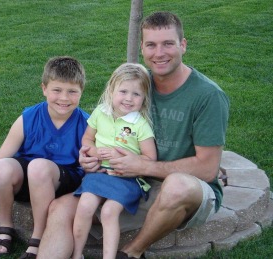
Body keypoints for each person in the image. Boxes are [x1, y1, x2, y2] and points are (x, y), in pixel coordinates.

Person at [37, 11, 230, 259]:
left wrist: (141, 165)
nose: (159, 53)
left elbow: (206, 170)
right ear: (142, 48)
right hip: (130, 184)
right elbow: (103, 129)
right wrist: (90, 156)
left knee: (177, 185)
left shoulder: (208, 96)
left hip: (180, 187)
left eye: (168, 44)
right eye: (151, 45)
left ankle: (131, 252)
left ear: (183, 45)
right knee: (60, 208)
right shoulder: (135, 85)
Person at [0, 56, 89, 258]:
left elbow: (91, 168)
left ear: (82, 91)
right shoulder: (28, 118)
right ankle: (6, 227)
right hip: (27, 181)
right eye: (57, 90)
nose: (64, 98)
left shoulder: (88, 125)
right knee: (1, 168)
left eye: (72, 91)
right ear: (44, 88)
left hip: (61, 183)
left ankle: (38, 237)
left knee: (38, 167)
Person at [71, 63, 157, 259]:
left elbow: (150, 159)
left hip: (127, 178)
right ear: (111, 90)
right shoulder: (101, 113)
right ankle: (76, 254)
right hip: (99, 173)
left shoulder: (141, 125)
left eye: (136, 94)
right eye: (123, 91)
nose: (128, 98)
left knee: (109, 211)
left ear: (144, 97)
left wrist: (127, 159)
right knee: (84, 206)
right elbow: (87, 139)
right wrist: (94, 151)